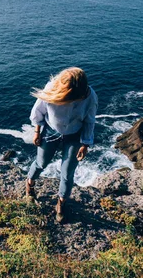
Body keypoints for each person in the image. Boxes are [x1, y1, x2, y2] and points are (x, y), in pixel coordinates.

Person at [26, 67, 98, 223]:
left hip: (74, 135)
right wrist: (37, 132)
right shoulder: (52, 89)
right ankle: (29, 186)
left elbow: (89, 120)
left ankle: (61, 203)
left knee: (67, 173)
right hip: (51, 131)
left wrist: (85, 144)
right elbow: (38, 112)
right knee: (41, 163)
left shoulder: (90, 96)